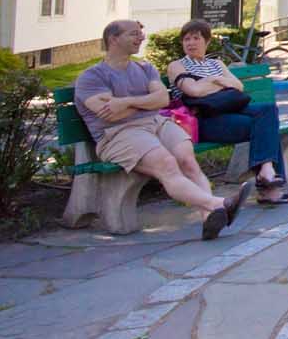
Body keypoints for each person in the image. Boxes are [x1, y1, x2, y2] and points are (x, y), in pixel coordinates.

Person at [76, 20, 250, 240]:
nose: (141, 38)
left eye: (141, 33)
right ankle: (220, 204)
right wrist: (145, 102)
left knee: (188, 161)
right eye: (134, 34)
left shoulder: (145, 68)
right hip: (119, 134)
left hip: (156, 122)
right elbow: (111, 114)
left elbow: (162, 99)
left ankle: (209, 218)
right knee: (167, 165)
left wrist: (126, 102)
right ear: (113, 39)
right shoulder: (92, 77)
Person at [167, 20, 288, 205]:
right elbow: (192, 91)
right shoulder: (177, 66)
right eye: (186, 39)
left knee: (268, 110)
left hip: (231, 110)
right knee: (266, 128)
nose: (191, 43)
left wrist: (208, 82)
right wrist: (220, 82)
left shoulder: (216, 63)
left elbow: (238, 86)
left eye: (196, 38)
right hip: (204, 119)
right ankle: (268, 186)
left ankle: (266, 171)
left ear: (207, 41)